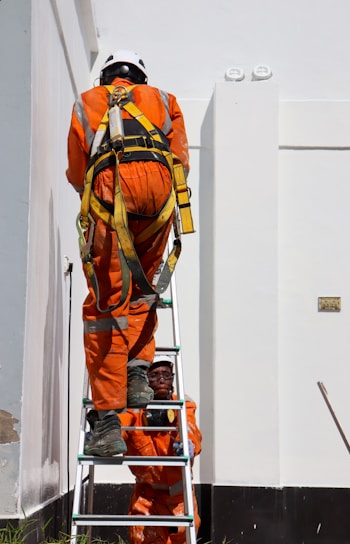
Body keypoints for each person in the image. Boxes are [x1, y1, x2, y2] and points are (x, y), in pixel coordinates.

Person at [66, 50, 190, 456]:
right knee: (142, 290)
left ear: (107, 78)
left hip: (110, 194)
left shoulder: (88, 102)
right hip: (160, 200)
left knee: (105, 305)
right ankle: (137, 373)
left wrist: (107, 204)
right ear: (140, 78)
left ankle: (106, 424)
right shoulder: (165, 99)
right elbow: (181, 162)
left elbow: (76, 171)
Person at [120, 355, 202, 544]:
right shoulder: (134, 410)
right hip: (147, 498)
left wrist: (188, 444)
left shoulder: (183, 404)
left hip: (180, 499)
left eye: (166, 374)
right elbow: (122, 425)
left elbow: (190, 427)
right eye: (155, 375)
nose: (162, 379)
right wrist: (108, 432)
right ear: (145, 379)